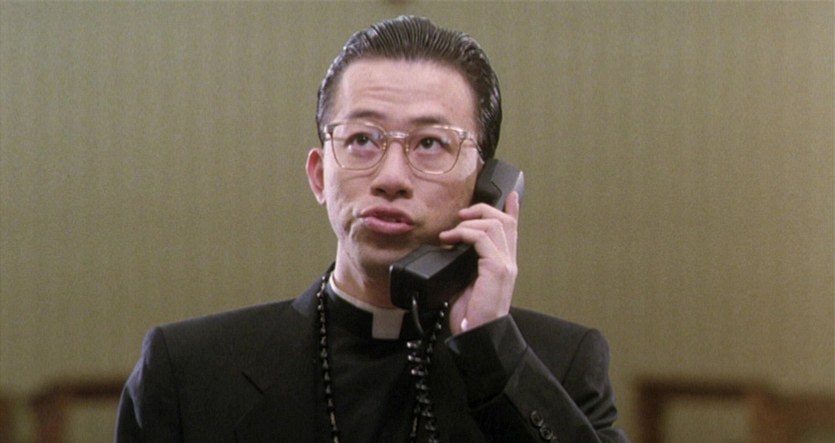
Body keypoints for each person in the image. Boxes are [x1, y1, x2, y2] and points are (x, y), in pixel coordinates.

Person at [116, 15, 629, 443]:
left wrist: (491, 353)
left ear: (484, 187)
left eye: (430, 143)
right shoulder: (187, 372)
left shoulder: (561, 363)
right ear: (319, 175)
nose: (391, 178)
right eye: (363, 139)